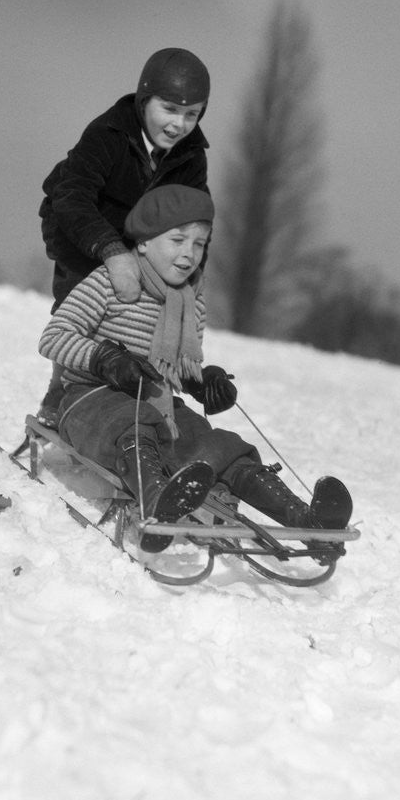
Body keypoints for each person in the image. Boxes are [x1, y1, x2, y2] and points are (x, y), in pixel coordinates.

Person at [38, 183, 353, 553]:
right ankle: (156, 503)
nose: (189, 253)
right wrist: (105, 358)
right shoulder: (109, 283)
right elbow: (53, 336)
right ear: (143, 242)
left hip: (157, 403)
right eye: (177, 240)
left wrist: (202, 382)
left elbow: (176, 368)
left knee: (217, 445)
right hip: (89, 400)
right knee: (132, 423)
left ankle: (305, 520)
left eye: (199, 243)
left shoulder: (190, 302)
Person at [36, 48, 211, 427]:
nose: (178, 124)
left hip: (144, 235)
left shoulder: (192, 155)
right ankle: (62, 387)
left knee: (144, 305)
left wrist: (191, 278)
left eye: (191, 114)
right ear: (145, 100)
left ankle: (136, 381)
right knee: (88, 295)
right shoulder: (108, 134)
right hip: (81, 223)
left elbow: (197, 219)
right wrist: (112, 252)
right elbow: (74, 196)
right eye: (169, 109)